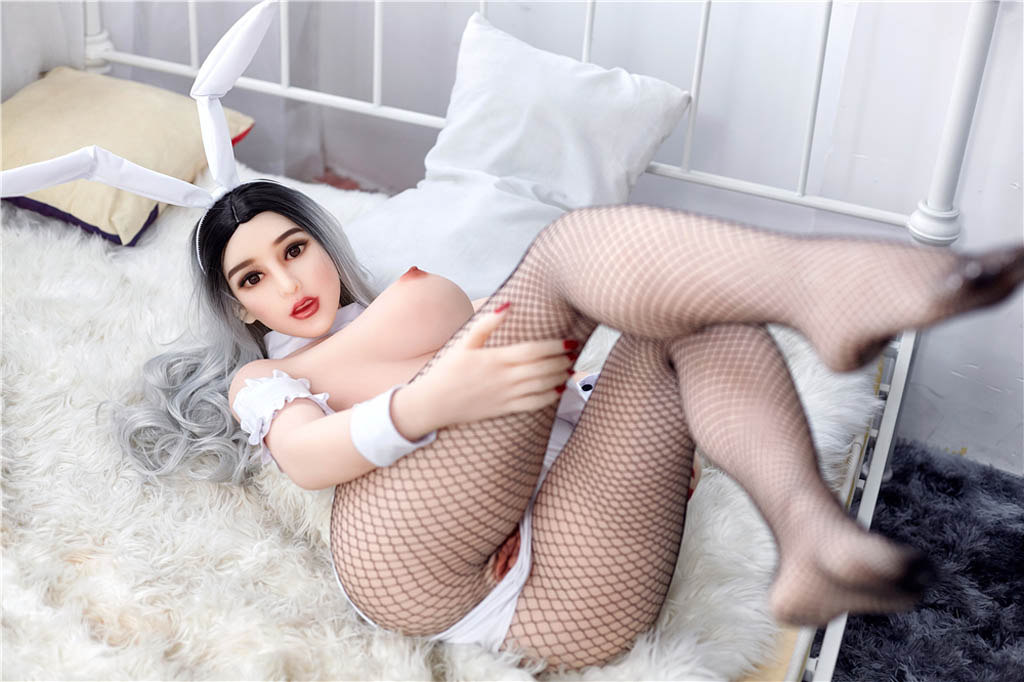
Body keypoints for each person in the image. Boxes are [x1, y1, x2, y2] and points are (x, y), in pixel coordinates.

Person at [110, 178, 1024, 672]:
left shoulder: (408, 310)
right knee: (560, 256)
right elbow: (310, 458)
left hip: (567, 592)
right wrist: (426, 403)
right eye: (254, 278)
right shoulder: (264, 378)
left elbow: (521, 389)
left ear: (324, 244)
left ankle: (808, 530)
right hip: (408, 563)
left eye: (295, 248)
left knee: (691, 321)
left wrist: (619, 422)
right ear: (239, 308)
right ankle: (817, 281)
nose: (288, 283)